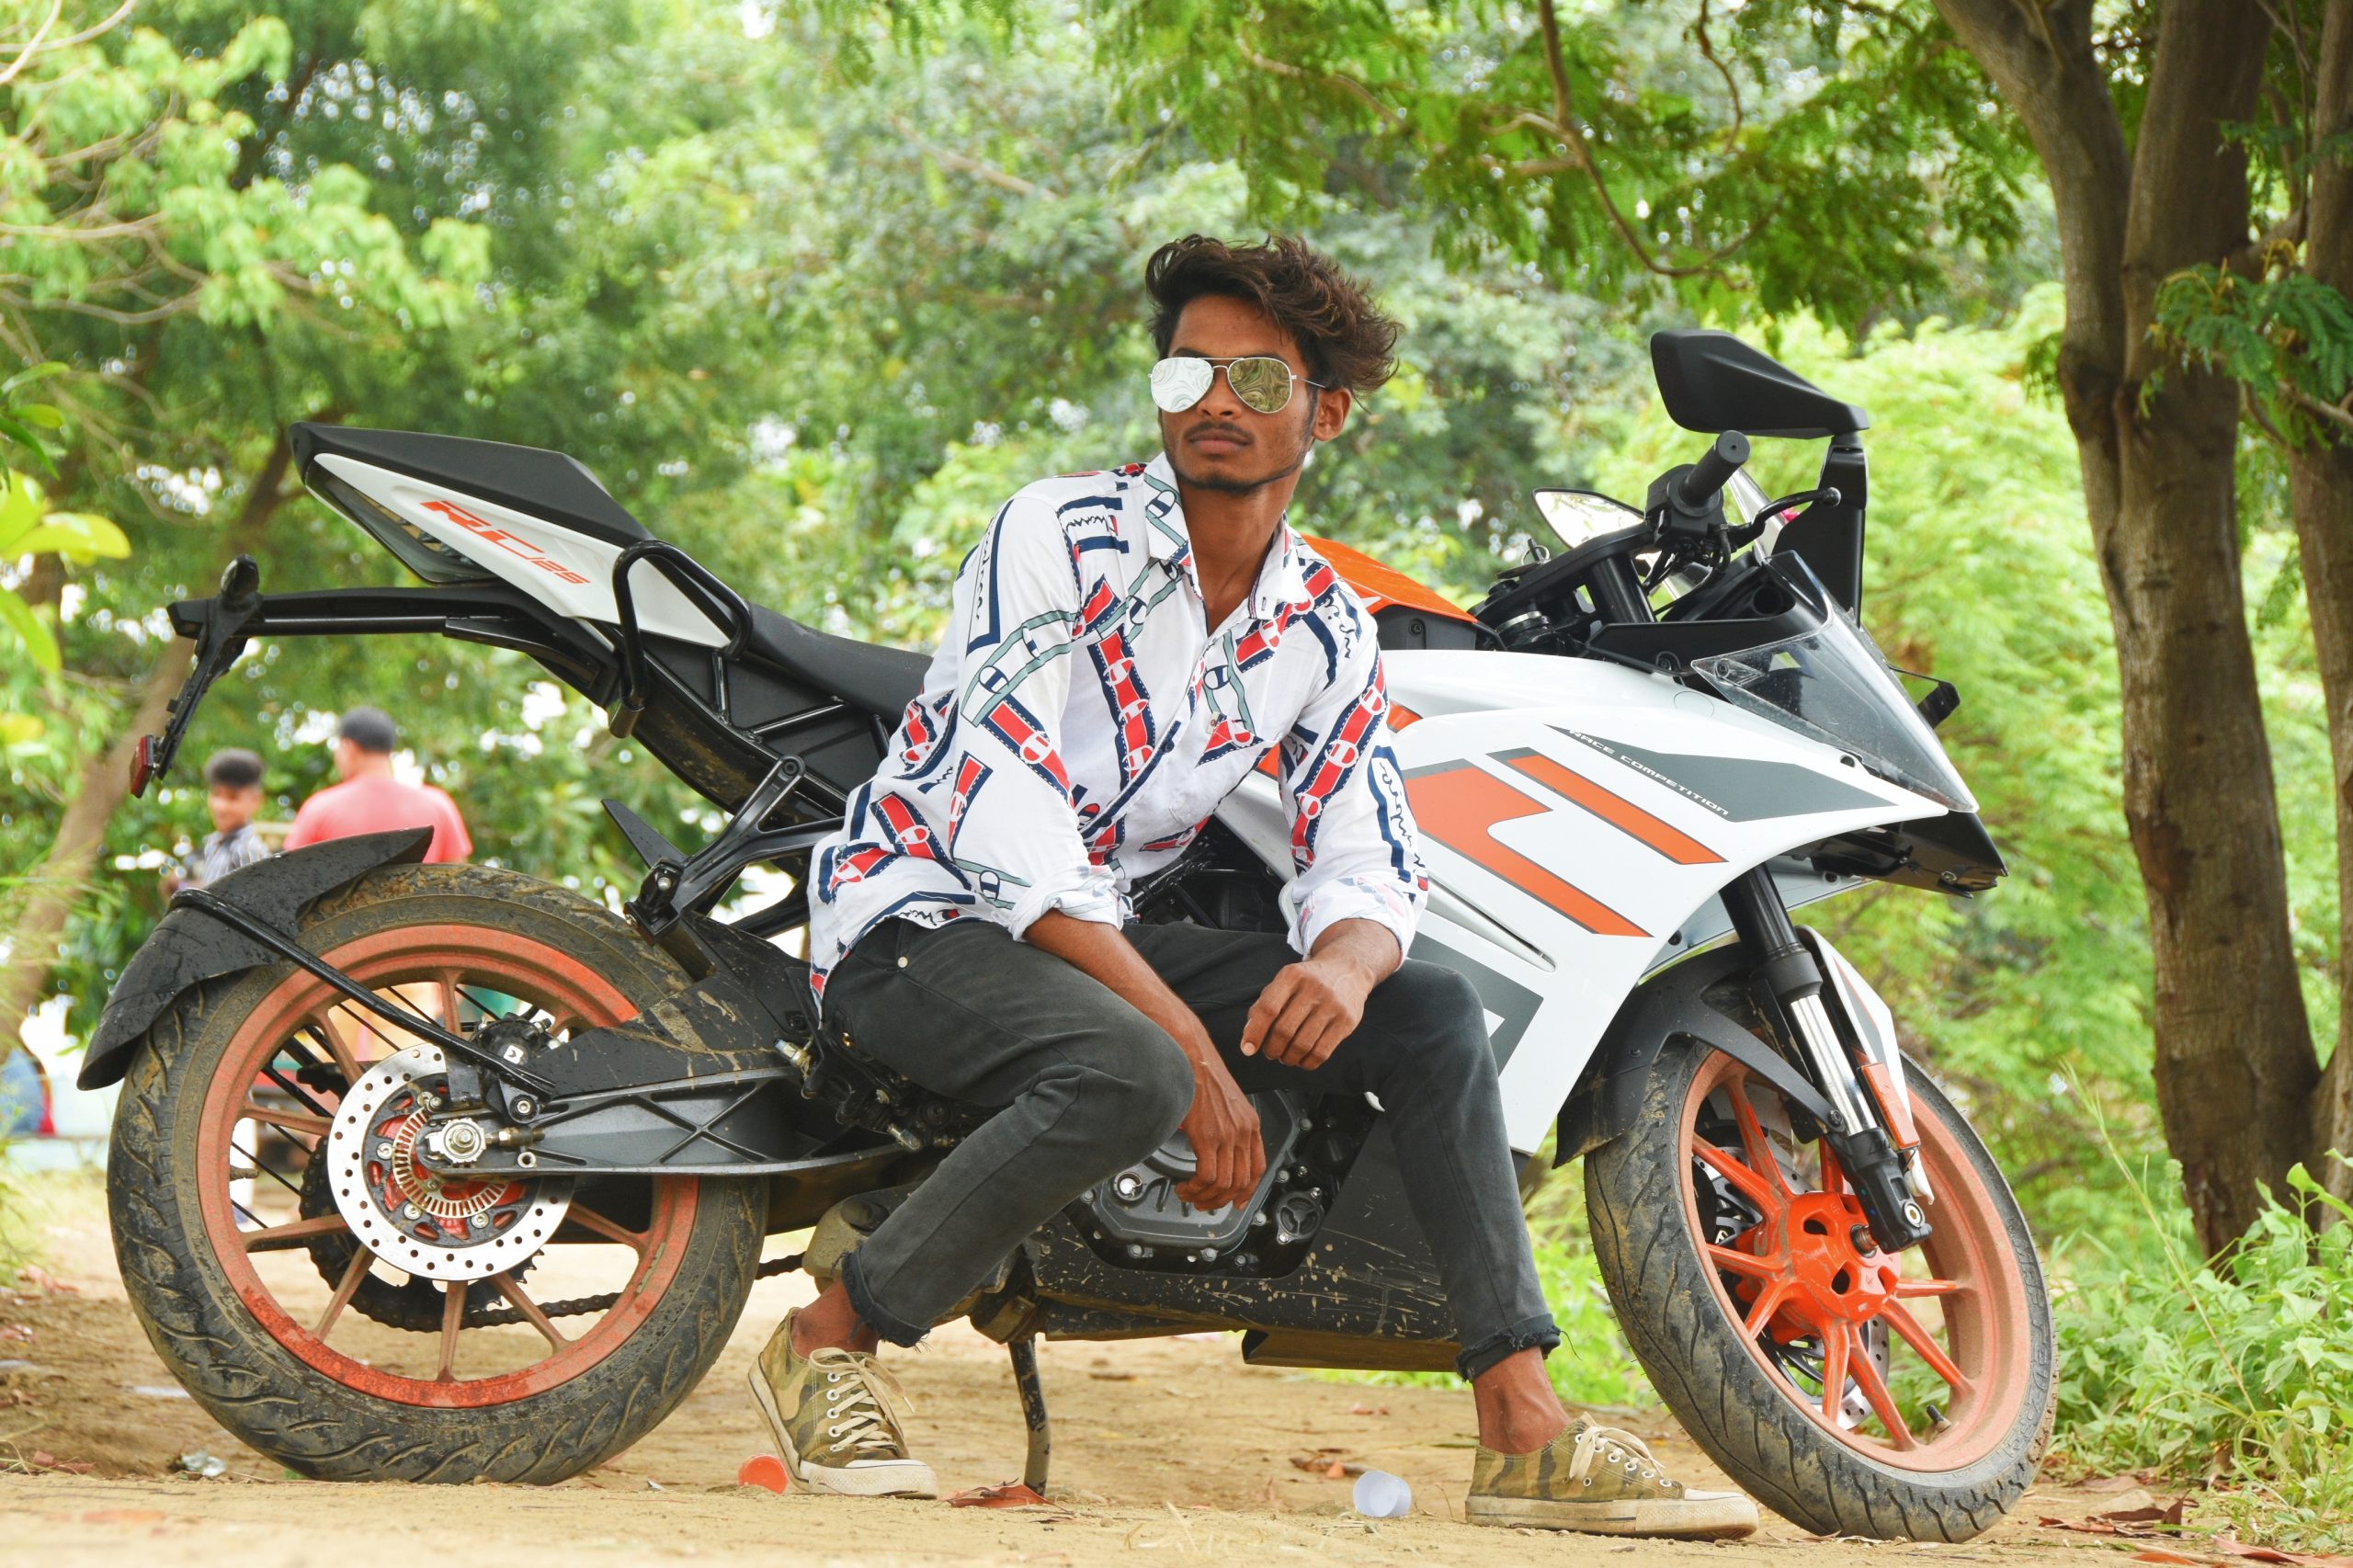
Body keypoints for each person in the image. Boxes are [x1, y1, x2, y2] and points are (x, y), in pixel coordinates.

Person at [752, 235, 1757, 1539]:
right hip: (919, 922)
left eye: (1256, 380)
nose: (1215, 402)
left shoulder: (1324, 622)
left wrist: (1342, 964)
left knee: (1432, 1012)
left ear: (1325, 411)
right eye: (1186, 376)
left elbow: (1369, 842)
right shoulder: (1059, 536)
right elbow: (1005, 815)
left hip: (1095, 947)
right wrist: (1189, 1043)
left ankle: (1523, 1426)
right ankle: (826, 1340)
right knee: (1135, 1069)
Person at [282, 707, 472, 863]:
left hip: (347, 910)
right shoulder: (439, 805)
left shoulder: (320, 808)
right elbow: (456, 879)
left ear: (349, 747)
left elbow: (289, 878)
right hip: (421, 910)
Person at [162, 748, 274, 895]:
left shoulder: (246, 849)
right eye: (216, 794)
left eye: (232, 797)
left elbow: (250, 905)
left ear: (256, 800)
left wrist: (188, 888)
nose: (221, 806)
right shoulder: (213, 844)